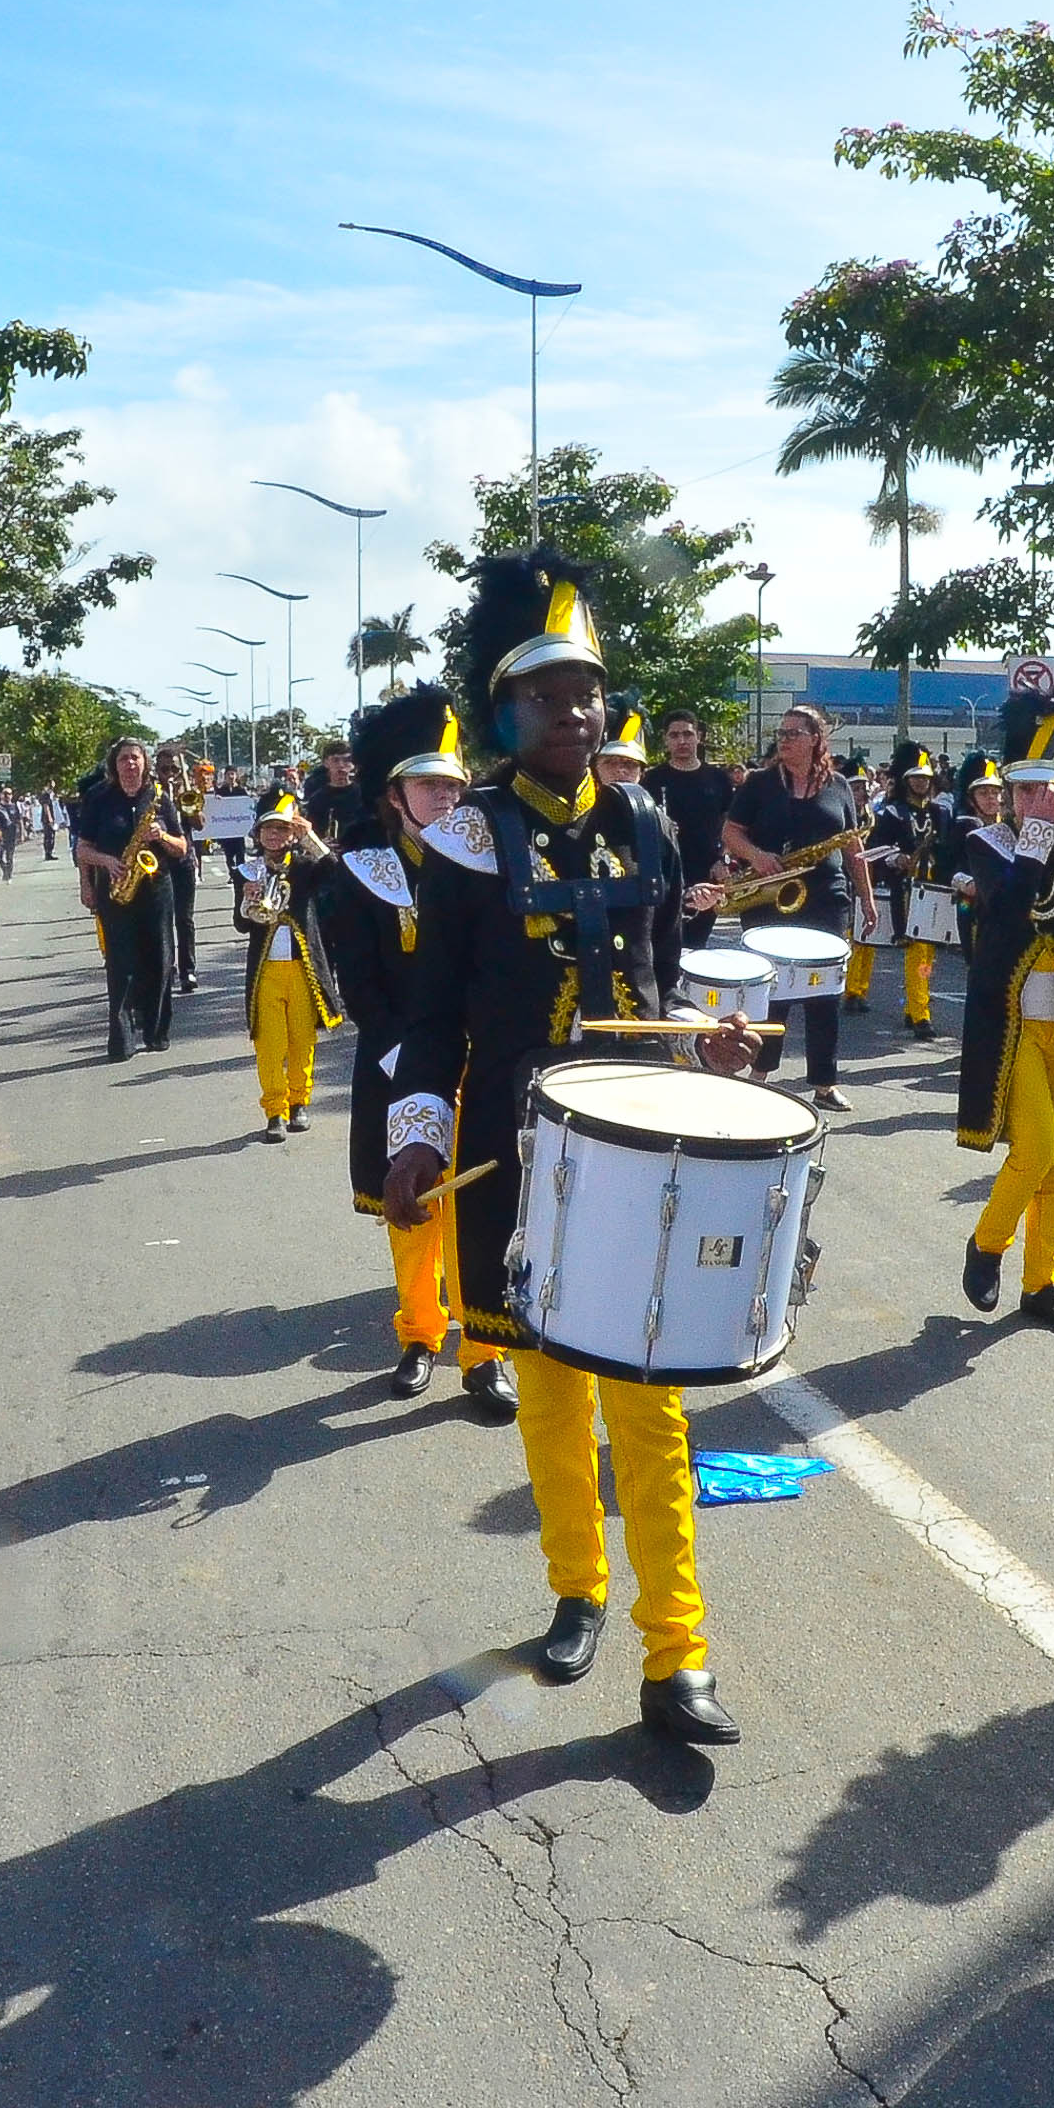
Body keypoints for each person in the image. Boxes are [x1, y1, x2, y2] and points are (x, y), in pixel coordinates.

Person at [378, 547, 753, 1743]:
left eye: (589, 688)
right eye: (549, 692)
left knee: (654, 1407)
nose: (577, 710)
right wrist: (420, 1136)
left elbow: (654, 980)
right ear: (505, 706)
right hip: (515, 1151)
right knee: (549, 1394)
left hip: (643, 1150)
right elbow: (432, 1011)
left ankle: (677, 1653)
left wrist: (703, 1043)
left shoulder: (647, 814)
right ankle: (577, 1589)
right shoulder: (471, 834)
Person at [316, 687, 488, 1403]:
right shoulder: (357, 873)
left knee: (481, 1206)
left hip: (482, 1058)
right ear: (395, 795)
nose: (443, 796)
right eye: (428, 783)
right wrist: (406, 1062)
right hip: (397, 1059)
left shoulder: (486, 860)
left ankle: (483, 1349)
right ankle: (420, 1333)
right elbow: (361, 985)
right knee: (416, 1203)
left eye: (452, 783)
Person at [952, 681, 1054, 1331]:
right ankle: (987, 1245)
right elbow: (1013, 913)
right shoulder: (987, 846)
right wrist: (1035, 836)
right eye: (1023, 790)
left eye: (1048, 790)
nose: (1034, 801)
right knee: (1037, 1149)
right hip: (1011, 1027)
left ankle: (1041, 1283)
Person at [707, 701, 867, 1102]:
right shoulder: (760, 784)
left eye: (794, 733)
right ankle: (761, 1073)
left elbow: (852, 846)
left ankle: (824, 1083)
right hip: (770, 895)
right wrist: (758, 857)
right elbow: (731, 833)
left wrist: (867, 897)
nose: (785, 740)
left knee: (824, 993)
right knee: (771, 991)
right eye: (781, 734)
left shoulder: (840, 786)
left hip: (827, 899)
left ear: (816, 739)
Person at [74, 739, 198, 1057]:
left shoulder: (159, 797)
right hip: (115, 888)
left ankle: (156, 1032)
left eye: (135, 758)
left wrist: (163, 836)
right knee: (120, 964)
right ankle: (122, 1039)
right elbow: (83, 849)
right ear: (114, 765)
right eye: (124, 759)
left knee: (160, 959)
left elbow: (183, 848)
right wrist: (104, 865)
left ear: (145, 763)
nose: (130, 764)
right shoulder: (98, 798)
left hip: (157, 889)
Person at [236, 783, 331, 1142]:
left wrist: (311, 837)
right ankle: (274, 1110)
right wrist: (248, 902)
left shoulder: (304, 868)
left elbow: (333, 869)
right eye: (268, 829)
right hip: (266, 972)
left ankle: (298, 1103)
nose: (274, 835)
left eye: (282, 829)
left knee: (302, 1040)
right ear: (258, 834)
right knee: (270, 1044)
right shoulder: (247, 871)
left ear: (292, 834)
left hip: (301, 968)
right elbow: (241, 923)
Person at [856, 747, 947, 1034]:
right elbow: (874, 847)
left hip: (935, 888)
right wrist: (896, 858)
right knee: (917, 950)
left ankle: (913, 1007)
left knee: (927, 954)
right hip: (904, 890)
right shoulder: (892, 812)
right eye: (915, 778)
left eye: (925, 778)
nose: (921, 782)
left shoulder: (941, 812)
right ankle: (920, 1013)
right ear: (906, 780)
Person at [650, 713, 735, 1008]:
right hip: (665, 876)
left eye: (687, 734)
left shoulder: (718, 778)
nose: (682, 741)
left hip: (705, 876)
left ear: (699, 736)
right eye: (674, 735)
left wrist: (724, 858)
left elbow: (730, 825)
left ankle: (693, 1009)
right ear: (665, 740)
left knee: (695, 949)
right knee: (663, 947)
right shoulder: (652, 779)